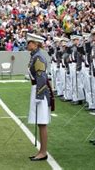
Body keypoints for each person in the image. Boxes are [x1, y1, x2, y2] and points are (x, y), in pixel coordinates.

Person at [27, 33, 52, 161]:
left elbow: (41, 77)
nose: (27, 44)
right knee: (40, 122)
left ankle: (43, 152)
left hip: (39, 91)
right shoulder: (35, 56)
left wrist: (39, 95)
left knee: (42, 122)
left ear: (36, 44)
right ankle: (42, 151)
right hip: (36, 89)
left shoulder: (38, 57)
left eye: (30, 42)